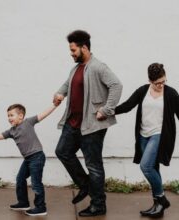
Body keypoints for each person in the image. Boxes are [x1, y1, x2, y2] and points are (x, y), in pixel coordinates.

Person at [53, 30, 122, 217]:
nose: (71, 53)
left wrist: (106, 110)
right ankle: (85, 185)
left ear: (84, 47)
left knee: (94, 166)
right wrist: (60, 93)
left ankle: (98, 205)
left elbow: (117, 85)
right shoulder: (75, 68)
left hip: (92, 125)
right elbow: (68, 84)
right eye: (70, 50)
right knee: (62, 151)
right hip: (73, 123)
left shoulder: (98, 67)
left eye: (74, 50)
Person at [115, 63, 179, 218]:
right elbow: (127, 106)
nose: (161, 85)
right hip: (143, 135)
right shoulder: (143, 91)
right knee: (154, 169)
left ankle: (161, 198)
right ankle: (157, 206)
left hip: (160, 134)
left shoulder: (171, 94)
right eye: (157, 83)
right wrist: (108, 112)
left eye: (163, 81)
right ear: (150, 80)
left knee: (145, 167)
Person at [0, 103, 57, 216]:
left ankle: (41, 207)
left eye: (11, 115)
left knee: (36, 183)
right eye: (8, 116)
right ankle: (23, 203)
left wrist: (55, 105)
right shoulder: (11, 131)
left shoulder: (28, 122)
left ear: (21, 116)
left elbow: (43, 114)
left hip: (37, 156)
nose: (9, 118)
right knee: (20, 178)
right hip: (28, 159)